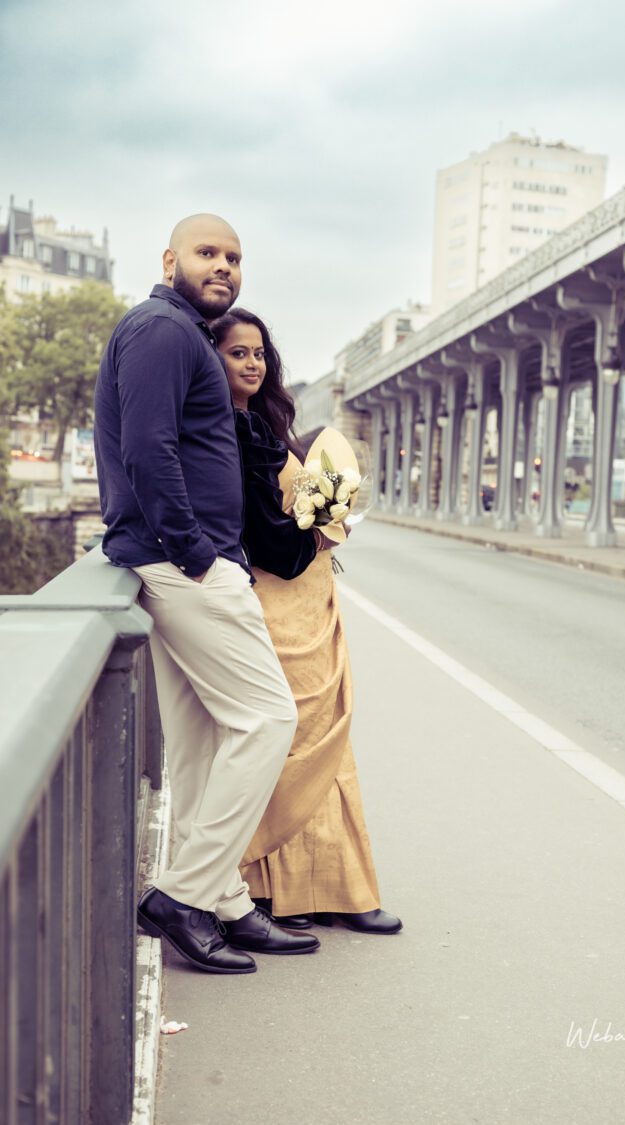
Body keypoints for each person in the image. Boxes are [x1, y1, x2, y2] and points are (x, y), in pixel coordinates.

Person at [94, 214, 324, 974]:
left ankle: (223, 897)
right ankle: (182, 893)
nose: (223, 265)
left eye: (233, 257)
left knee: (199, 740)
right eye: (207, 253)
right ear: (170, 259)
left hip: (171, 560)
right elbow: (147, 446)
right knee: (267, 718)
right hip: (186, 563)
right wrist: (195, 552)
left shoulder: (183, 333)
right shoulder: (162, 330)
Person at [213, 307, 402, 935]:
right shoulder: (225, 432)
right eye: (238, 351)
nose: (252, 361)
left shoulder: (264, 426)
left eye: (259, 352)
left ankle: (329, 885)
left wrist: (326, 518)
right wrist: (322, 531)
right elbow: (264, 539)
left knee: (326, 743)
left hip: (310, 607)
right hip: (274, 607)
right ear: (210, 359)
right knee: (296, 745)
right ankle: (271, 885)